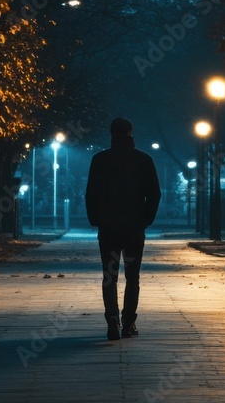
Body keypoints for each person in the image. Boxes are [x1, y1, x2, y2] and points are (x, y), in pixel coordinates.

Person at [85, 117, 161, 340]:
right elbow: (154, 193)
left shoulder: (99, 160)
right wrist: (146, 219)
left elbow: (91, 193)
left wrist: (95, 218)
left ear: (111, 134)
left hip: (108, 226)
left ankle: (111, 320)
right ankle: (129, 322)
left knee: (109, 276)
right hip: (133, 227)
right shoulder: (144, 160)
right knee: (132, 276)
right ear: (131, 132)